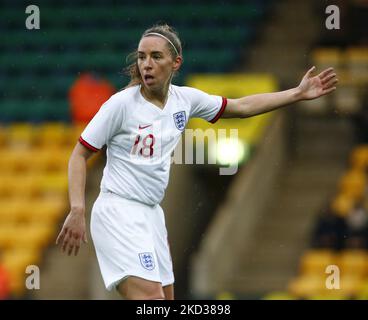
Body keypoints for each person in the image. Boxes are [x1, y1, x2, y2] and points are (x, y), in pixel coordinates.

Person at [55, 23, 338, 300]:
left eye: (156, 57)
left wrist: (297, 94)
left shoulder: (185, 100)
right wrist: (78, 208)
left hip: (151, 214)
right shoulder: (121, 104)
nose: (147, 64)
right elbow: (79, 154)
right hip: (119, 212)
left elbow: (240, 107)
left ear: (176, 62)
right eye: (142, 57)